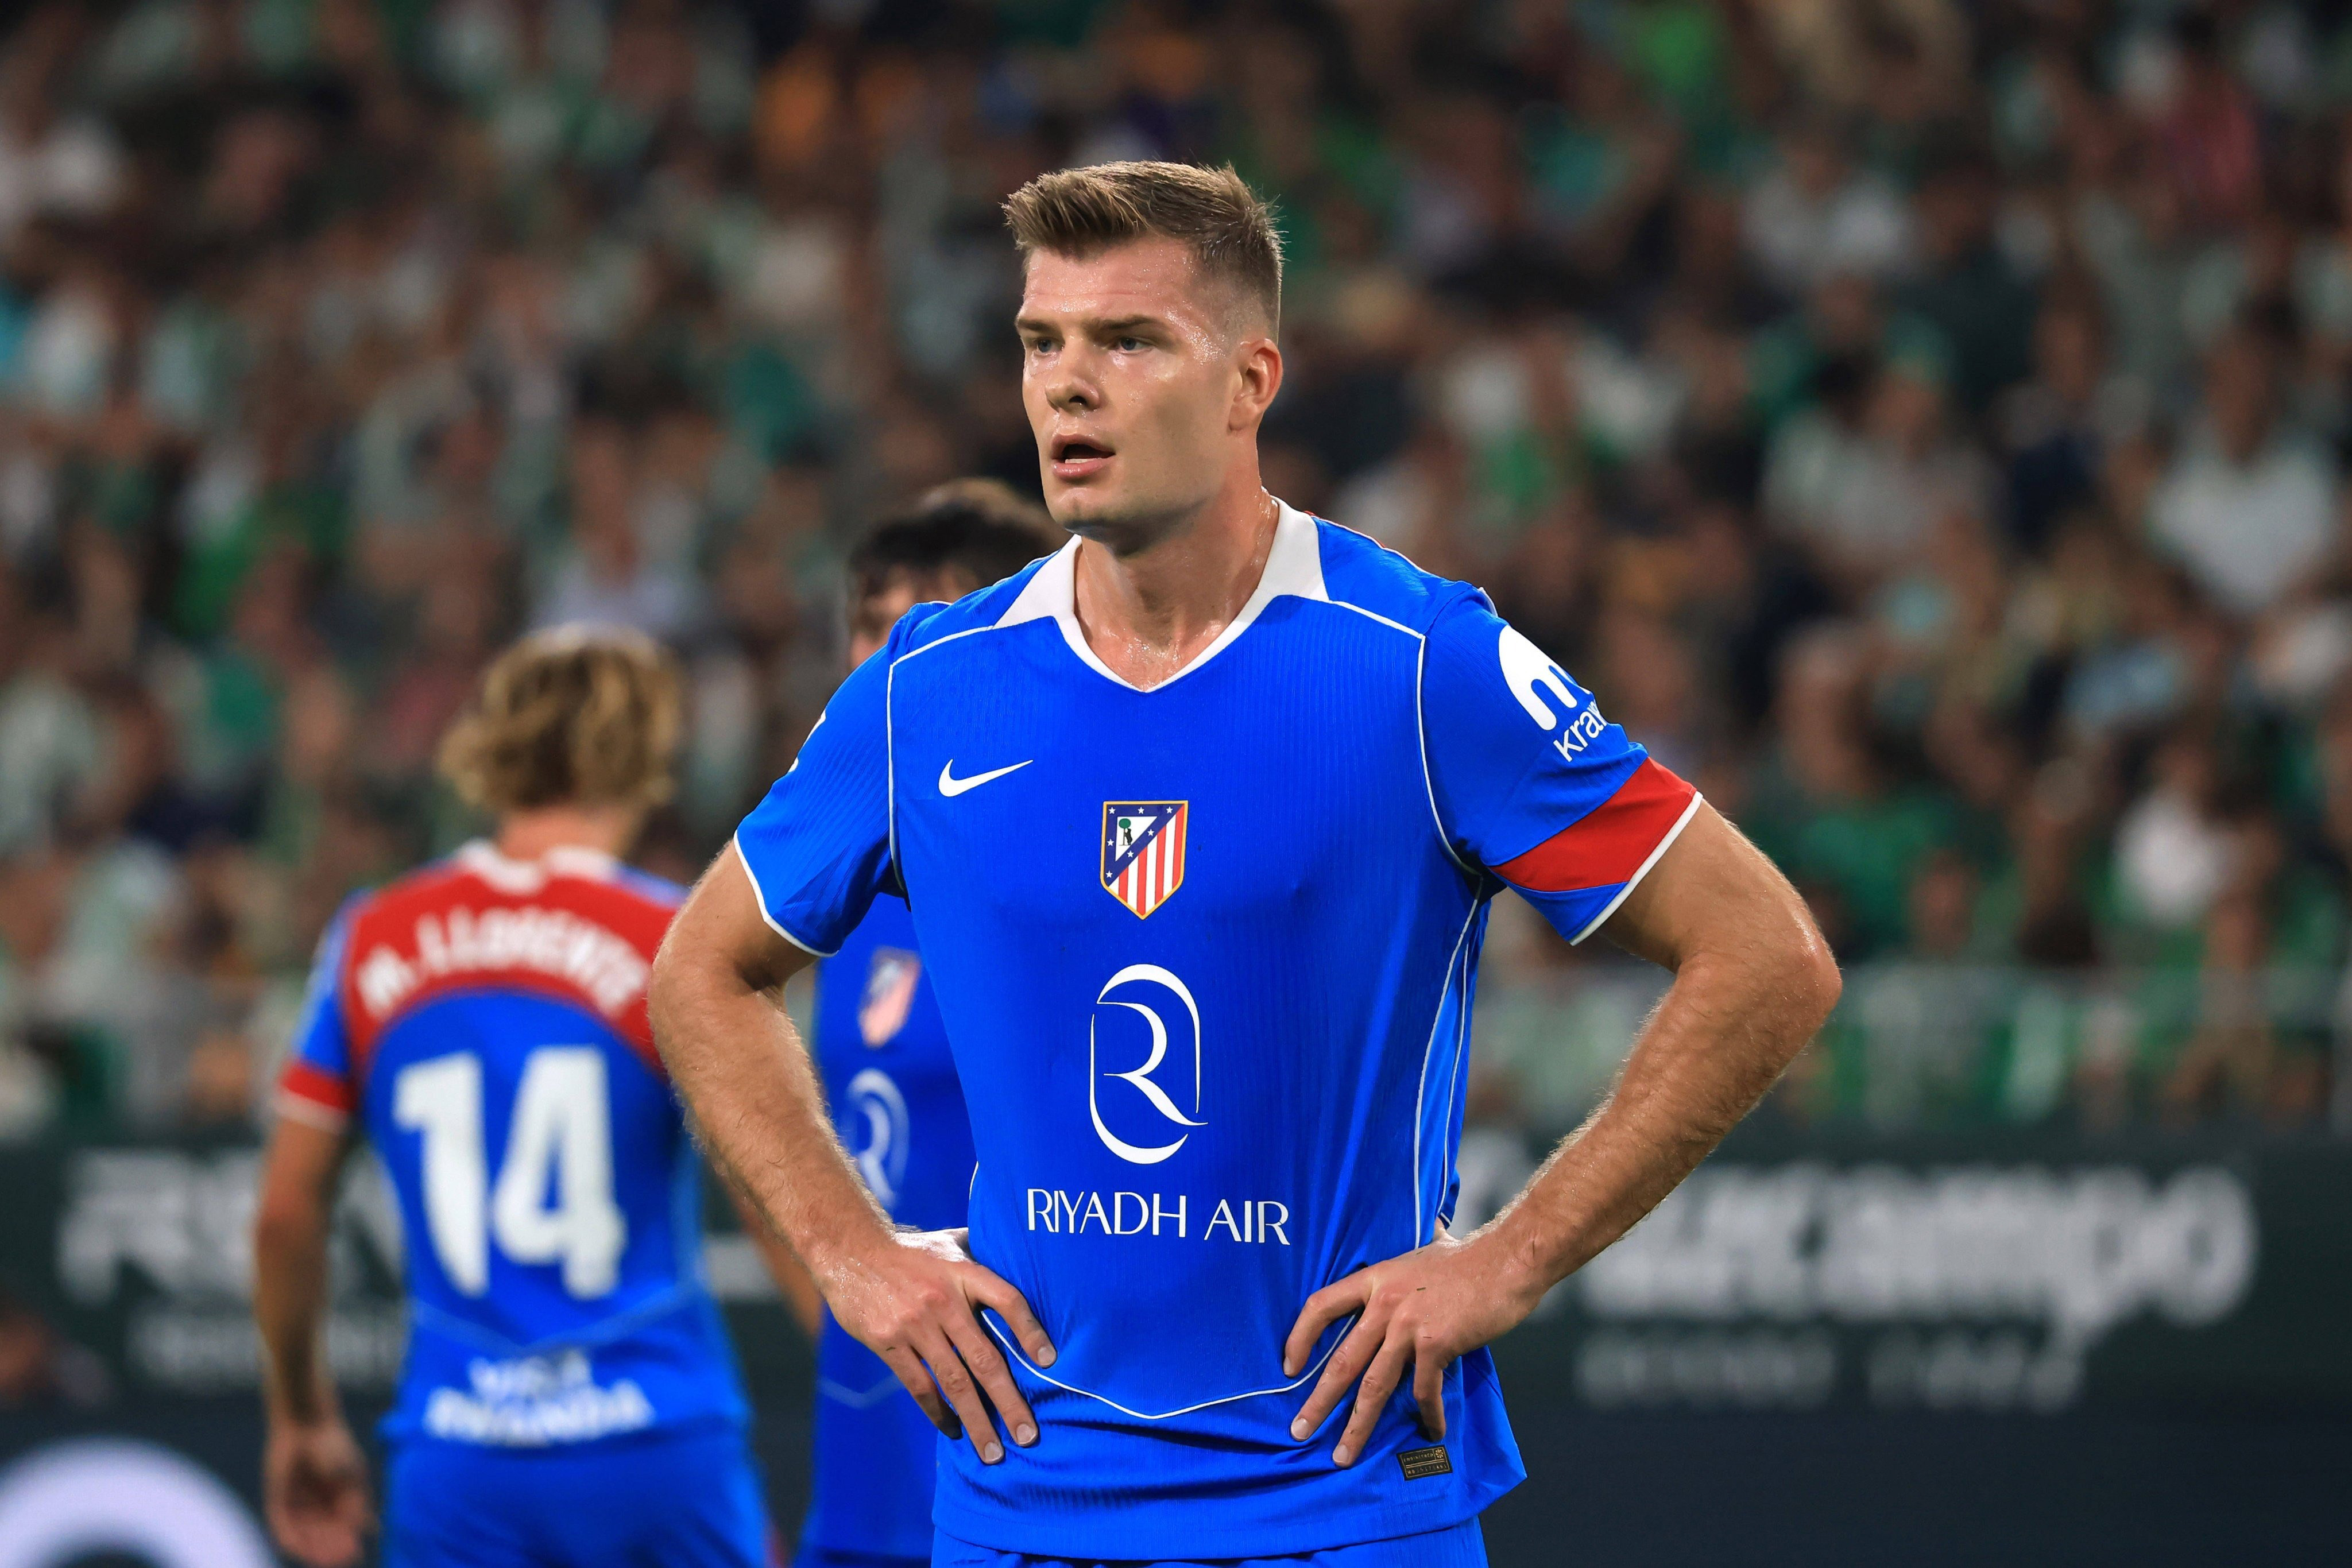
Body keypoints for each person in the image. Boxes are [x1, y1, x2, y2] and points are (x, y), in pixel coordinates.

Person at [650, 161, 1841, 1566]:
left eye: (1128, 340)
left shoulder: (1419, 666)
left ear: (1249, 381)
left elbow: (1766, 955)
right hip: (1024, 1499)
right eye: (1041, 342)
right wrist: (852, 1255)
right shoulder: (928, 687)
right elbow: (699, 970)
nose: (1066, 384)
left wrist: (1507, 1261)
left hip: (1343, 1501)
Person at [253, 626, 794, 1568]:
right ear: (644, 753)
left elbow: (285, 1216)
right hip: (656, 1444)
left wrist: (301, 1416)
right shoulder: (673, 939)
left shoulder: (371, 939)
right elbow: (776, 1199)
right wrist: (879, 1392)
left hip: (460, 1457)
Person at [791, 481, 1063, 1568]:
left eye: (917, 626)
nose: (882, 660)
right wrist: (843, 1279)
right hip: (861, 1473)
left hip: (1024, 1464)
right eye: (868, 625)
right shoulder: (839, 890)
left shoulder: (1062, 873)